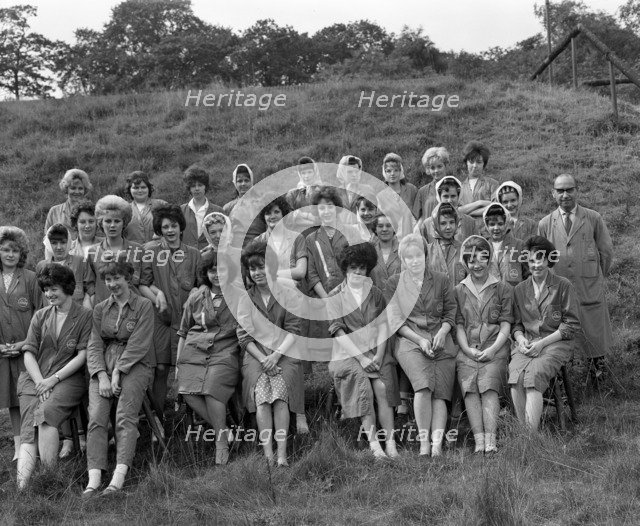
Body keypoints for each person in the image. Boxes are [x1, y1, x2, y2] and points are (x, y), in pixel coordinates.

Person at [84, 258, 155, 497]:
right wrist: (102, 375)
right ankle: (93, 479)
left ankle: (118, 478)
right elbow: (94, 344)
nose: (112, 283)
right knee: (96, 417)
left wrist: (118, 371)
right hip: (105, 362)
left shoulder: (144, 305)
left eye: (117, 278)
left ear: (128, 278)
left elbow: (139, 344)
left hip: (136, 363)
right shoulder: (101, 308)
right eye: (108, 279)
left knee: (125, 415)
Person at [16, 264, 92, 488]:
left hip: (69, 378)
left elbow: (82, 355)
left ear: (68, 287)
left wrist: (53, 379)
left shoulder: (85, 316)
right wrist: (41, 381)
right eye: (46, 289)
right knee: (29, 424)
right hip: (35, 377)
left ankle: (50, 477)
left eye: (54, 289)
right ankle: (22, 486)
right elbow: (28, 352)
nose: (49, 294)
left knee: (46, 414)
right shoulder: (41, 315)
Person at [384, 234, 457, 456]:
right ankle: (424, 443)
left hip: (441, 339)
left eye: (418, 256)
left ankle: (436, 445)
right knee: (424, 386)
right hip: (409, 340)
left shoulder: (442, 279)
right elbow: (396, 321)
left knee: (441, 392)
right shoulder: (393, 283)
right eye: (409, 257)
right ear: (402, 260)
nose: (415, 261)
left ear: (426, 256)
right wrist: (420, 339)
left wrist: (443, 332)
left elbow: (450, 312)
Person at [327, 243, 400, 459]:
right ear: (345, 269)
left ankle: (391, 443)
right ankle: (375, 445)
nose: (358, 272)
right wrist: (362, 358)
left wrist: (377, 355)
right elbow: (338, 332)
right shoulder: (335, 296)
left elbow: (383, 327)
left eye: (362, 268)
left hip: (375, 351)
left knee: (382, 387)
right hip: (346, 353)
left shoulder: (375, 294)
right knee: (364, 387)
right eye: (353, 268)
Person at [537, 174, 613, 382]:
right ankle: (566, 377)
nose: (565, 194)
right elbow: (540, 259)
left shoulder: (593, 218)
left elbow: (606, 252)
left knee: (594, 333)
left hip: (589, 287)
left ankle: (599, 377)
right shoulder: (545, 223)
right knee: (563, 330)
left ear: (577, 191)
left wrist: (595, 277)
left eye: (569, 189)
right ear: (553, 194)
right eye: (560, 190)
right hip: (559, 290)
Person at [236, 241, 303, 466]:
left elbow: (294, 330)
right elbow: (244, 337)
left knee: (280, 393)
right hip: (256, 355)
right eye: (252, 268)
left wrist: (275, 356)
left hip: (285, 352)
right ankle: (268, 454)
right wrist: (264, 358)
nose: (257, 273)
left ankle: (282, 454)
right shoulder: (245, 298)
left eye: (261, 266)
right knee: (262, 395)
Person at [175, 250, 241, 464]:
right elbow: (183, 332)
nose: (217, 275)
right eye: (212, 271)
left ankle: (220, 444)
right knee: (187, 389)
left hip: (225, 350)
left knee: (212, 387)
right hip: (195, 351)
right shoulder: (196, 297)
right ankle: (223, 430)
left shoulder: (238, 296)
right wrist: (178, 364)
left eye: (222, 270)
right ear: (206, 273)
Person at [509, 236, 581, 430]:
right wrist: (521, 339)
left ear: (549, 260)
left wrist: (542, 343)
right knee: (516, 377)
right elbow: (516, 325)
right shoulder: (519, 289)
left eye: (540, 260)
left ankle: (530, 438)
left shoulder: (563, 285)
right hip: (529, 342)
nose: (536, 265)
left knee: (533, 376)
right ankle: (524, 433)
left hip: (556, 342)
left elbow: (571, 325)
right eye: (531, 261)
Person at [138, 204, 200, 425]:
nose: (170, 230)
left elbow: (201, 286)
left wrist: (194, 291)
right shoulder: (150, 251)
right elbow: (143, 284)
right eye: (165, 226)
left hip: (188, 319)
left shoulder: (193, 254)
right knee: (162, 368)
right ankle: (158, 418)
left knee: (190, 366)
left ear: (180, 227)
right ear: (159, 229)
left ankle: (193, 414)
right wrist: (158, 296)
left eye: (174, 225)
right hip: (161, 318)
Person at [455, 236, 513, 453]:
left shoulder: (503, 288)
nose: (476, 265)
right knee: (469, 387)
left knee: (488, 386)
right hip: (467, 348)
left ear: (489, 260)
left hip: (495, 347)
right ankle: (479, 440)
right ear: (466, 263)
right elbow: (458, 325)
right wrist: (467, 350)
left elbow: (506, 324)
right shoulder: (459, 291)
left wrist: (493, 349)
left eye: (482, 259)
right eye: (471, 260)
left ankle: (491, 439)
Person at [0, 226, 42, 461]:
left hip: (27, 350)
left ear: (21, 253)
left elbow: (41, 313)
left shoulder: (30, 277)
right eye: (5, 249)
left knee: (28, 396)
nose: (9, 254)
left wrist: (28, 342)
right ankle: (18, 448)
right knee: (11, 400)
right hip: (3, 352)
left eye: (14, 250)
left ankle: (33, 443)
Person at [90, 195, 143, 305]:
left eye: (117, 221)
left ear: (124, 222)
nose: (112, 225)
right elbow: (90, 286)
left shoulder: (138, 249)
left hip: (133, 310)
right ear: (101, 223)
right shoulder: (92, 252)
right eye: (108, 221)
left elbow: (143, 283)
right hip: (104, 311)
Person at [38, 224, 95, 308]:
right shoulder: (41, 266)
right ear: (48, 244)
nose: (59, 247)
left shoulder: (80, 262)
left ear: (68, 242)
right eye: (54, 243)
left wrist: (87, 313)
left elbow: (91, 291)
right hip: (50, 317)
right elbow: (39, 300)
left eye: (63, 242)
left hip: (77, 317)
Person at [416, 176, 475, 244]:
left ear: (459, 197)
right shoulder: (427, 224)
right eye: (446, 196)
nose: (449, 200)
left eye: (453, 196)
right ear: (439, 197)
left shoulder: (470, 222)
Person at [481, 203, 528, 287]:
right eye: (492, 224)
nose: (496, 228)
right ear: (487, 225)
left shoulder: (519, 245)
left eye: (500, 224)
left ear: (506, 223)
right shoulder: (482, 247)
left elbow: (528, 275)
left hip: (514, 297)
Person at [180, 165, 224, 250]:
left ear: (205, 186)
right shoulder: (181, 210)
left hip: (212, 258)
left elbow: (226, 237)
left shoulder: (218, 211)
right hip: (186, 257)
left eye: (200, 185)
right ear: (189, 188)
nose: (197, 189)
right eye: (193, 186)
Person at [223, 164, 267, 247]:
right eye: (239, 181)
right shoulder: (228, 208)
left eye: (246, 180)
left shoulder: (262, 204)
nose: (243, 184)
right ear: (235, 183)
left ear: (252, 182)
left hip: (258, 249)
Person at [426, 203, 467, 287]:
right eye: (443, 223)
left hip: (459, 299)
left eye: (452, 222)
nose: (448, 227)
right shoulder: (427, 251)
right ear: (435, 225)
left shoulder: (465, 249)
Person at [44, 169, 93, 238]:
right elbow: (47, 238)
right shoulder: (54, 211)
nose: (77, 192)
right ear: (66, 189)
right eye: (73, 188)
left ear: (85, 190)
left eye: (80, 188)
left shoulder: (92, 212)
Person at [458, 141, 500, 219]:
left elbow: (496, 207)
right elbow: (456, 211)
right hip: (466, 229)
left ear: (484, 164)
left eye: (479, 162)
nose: (475, 166)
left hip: (486, 229)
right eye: (471, 162)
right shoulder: (459, 187)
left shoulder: (493, 184)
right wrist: (479, 203)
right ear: (466, 163)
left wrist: (467, 212)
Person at [123, 171, 167, 245]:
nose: (140, 190)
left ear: (149, 188)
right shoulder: (124, 209)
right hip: (132, 253)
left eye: (143, 187)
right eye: (136, 188)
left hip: (158, 253)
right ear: (129, 189)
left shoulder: (162, 205)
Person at [379, 153, 417, 238]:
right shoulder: (381, 196)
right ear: (384, 172)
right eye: (389, 171)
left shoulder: (411, 189)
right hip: (392, 238)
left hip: (412, 235)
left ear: (401, 171)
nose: (392, 174)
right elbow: (380, 220)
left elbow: (417, 214)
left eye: (396, 170)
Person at [413, 146, 451, 224]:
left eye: (439, 166)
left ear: (446, 165)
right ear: (428, 169)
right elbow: (415, 217)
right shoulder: (422, 191)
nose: (436, 171)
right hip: (428, 233)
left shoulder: (455, 187)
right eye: (432, 168)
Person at [286, 156, 322, 232]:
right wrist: (309, 217)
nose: (306, 176)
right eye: (303, 173)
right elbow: (288, 219)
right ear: (300, 174)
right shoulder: (292, 194)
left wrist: (300, 215)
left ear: (314, 172)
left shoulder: (322, 190)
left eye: (309, 172)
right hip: (298, 234)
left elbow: (324, 217)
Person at [370, 213, 401, 290]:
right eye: (380, 226)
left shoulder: (403, 249)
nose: (384, 229)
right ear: (375, 229)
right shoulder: (369, 252)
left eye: (388, 226)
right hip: (376, 299)